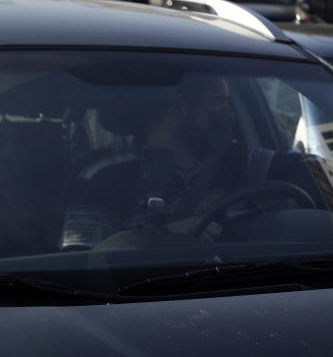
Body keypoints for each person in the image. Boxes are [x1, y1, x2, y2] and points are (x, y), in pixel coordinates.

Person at [60, 74, 310, 249]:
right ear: (178, 108)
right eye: (217, 102)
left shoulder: (244, 162)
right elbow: (84, 264)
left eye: (228, 101)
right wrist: (167, 235)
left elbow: (311, 176)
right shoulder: (102, 178)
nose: (229, 112)